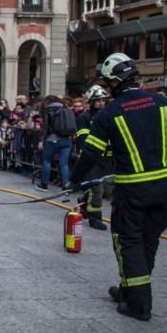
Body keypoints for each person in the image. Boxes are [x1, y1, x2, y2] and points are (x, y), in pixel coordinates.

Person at [68, 53, 167, 321]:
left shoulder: (111, 113)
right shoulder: (165, 104)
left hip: (132, 192)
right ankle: (129, 289)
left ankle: (139, 305)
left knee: (128, 242)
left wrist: (74, 180)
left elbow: (91, 153)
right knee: (148, 241)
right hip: (165, 191)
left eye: (108, 83)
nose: (107, 88)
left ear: (115, 81)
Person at [75, 85, 113, 231]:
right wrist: (87, 153)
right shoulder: (85, 118)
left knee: (107, 191)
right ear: (91, 102)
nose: (101, 103)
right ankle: (95, 219)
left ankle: (84, 202)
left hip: (109, 159)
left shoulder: (110, 116)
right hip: (93, 159)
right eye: (97, 100)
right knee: (96, 190)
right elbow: (83, 138)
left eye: (103, 100)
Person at [37, 96, 76, 191]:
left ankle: (44, 184)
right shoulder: (66, 108)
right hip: (67, 139)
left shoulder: (48, 109)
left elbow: (46, 127)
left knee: (47, 161)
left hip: (53, 139)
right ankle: (66, 185)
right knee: (64, 163)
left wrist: (42, 140)